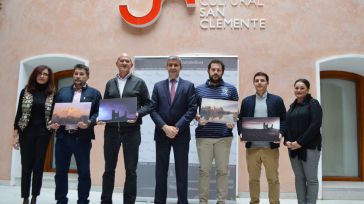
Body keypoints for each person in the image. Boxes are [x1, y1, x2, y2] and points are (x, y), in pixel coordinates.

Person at [101, 53, 151, 204]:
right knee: (109, 170)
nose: (124, 63)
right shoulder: (110, 83)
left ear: (131, 65)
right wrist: (103, 116)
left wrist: (137, 113)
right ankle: (106, 201)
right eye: (121, 60)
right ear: (117, 63)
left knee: (131, 171)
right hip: (111, 132)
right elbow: (106, 105)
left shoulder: (139, 83)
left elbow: (149, 104)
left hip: (132, 132)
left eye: (127, 61)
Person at [51, 64, 102, 204]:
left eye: (81, 74)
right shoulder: (62, 92)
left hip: (82, 139)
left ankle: (83, 200)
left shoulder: (95, 93)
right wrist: (53, 122)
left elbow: (99, 113)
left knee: (84, 172)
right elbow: (54, 112)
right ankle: (61, 200)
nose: (78, 76)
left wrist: (90, 122)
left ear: (87, 76)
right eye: (76, 74)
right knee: (61, 172)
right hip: (63, 137)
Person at [150, 56, 197, 204]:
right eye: (170, 65)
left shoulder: (188, 86)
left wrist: (176, 127)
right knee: (160, 172)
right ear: (167, 67)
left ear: (180, 67)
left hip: (181, 135)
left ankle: (182, 202)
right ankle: (159, 201)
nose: (173, 67)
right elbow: (152, 109)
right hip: (162, 134)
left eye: (175, 65)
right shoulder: (158, 86)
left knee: (181, 172)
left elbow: (192, 109)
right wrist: (164, 127)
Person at [237, 72, 286, 204]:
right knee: (253, 179)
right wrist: (241, 133)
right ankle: (254, 201)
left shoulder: (277, 100)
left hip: (271, 147)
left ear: (267, 83)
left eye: (262, 80)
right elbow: (240, 120)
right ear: (254, 83)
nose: (259, 82)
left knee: (273, 179)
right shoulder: (247, 101)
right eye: (257, 80)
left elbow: (284, 120)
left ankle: (274, 202)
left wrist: (280, 134)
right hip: (252, 148)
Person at [194, 59, 238, 204]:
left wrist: (233, 120)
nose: (215, 72)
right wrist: (197, 117)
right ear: (208, 71)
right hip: (204, 136)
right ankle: (203, 201)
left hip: (224, 137)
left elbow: (235, 111)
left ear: (222, 72)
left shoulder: (231, 89)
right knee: (204, 171)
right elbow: (193, 110)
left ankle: (221, 201)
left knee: (222, 171)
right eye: (213, 69)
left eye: (218, 70)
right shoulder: (199, 89)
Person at [13, 65, 56, 204]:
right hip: (26, 132)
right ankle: (25, 197)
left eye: (45, 74)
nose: (42, 76)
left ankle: (34, 197)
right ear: (35, 75)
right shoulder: (25, 92)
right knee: (26, 166)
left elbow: (55, 115)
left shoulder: (51, 94)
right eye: (39, 74)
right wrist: (15, 136)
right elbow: (19, 113)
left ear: (49, 77)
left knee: (38, 166)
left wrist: (52, 127)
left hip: (43, 134)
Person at [284, 79, 322, 204]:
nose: (298, 90)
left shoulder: (313, 104)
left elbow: (315, 125)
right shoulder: (292, 107)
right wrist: (288, 141)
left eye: (302, 88)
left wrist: (299, 142)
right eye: (296, 88)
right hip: (293, 148)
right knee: (299, 178)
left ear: (308, 89)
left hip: (310, 147)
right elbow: (287, 125)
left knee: (311, 179)